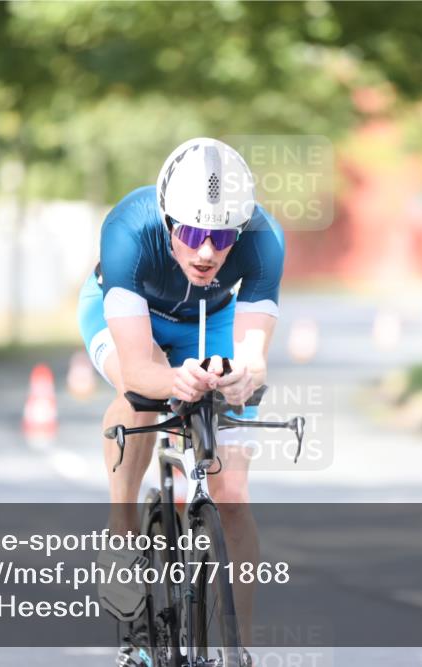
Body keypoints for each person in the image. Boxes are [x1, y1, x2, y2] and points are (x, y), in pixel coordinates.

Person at [78, 137, 285, 666]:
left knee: (232, 492)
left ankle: (241, 652)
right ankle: (122, 530)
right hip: (129, 314)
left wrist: (242, 375)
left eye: (221, 237)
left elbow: (253, 355)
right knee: (144, 394)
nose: (206, 252)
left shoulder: (264, 239)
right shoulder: (128, 230)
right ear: (168, 221)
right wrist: (175, 381)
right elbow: (142, 369)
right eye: (191, 233)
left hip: (207, 319)